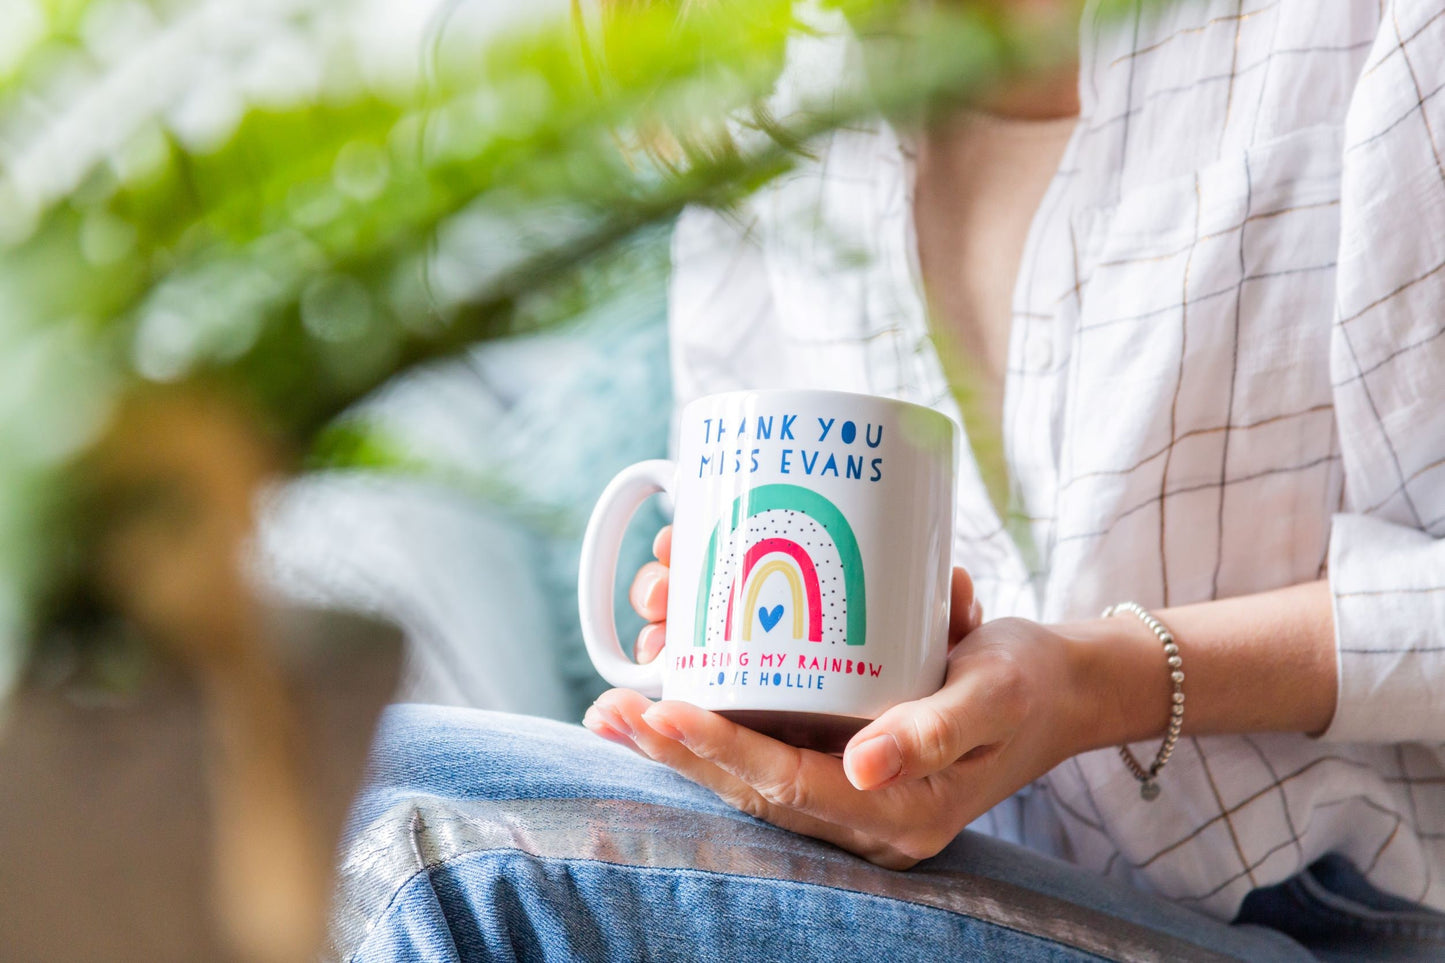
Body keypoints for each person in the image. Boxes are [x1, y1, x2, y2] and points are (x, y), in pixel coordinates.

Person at [326, 1, 1445, 959]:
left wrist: (1101, 681)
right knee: (340, 776)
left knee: (439, 870)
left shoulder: (1366, 38)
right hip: (971, 882)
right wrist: (781, 710)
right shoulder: (769, 78)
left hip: (1347, 919)